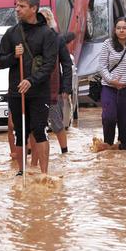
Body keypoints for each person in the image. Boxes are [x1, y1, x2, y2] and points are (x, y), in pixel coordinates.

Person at [0, 0, 58, 176]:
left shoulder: (47, 34)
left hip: (39, 92)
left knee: (39, 130)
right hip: (16, 91)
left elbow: (49, 65)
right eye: (17, 6)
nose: (17, 9)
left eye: (21, 6)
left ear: (33, 8)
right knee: (20, 131)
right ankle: (21, 172)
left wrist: (31, 81)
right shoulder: (11, 33)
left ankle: (44, 174)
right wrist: (14, 56)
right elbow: (0, 60)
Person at [99, 17, 126, 150]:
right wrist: (111, 80)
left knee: (125, 123)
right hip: (109, 88)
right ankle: (108, 147)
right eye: (118, 28)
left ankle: (123, 153)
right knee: (109, 118)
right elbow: (102, 66)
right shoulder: (108, 44)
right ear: (114, 30)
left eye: (124, 28)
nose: (121, 30)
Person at [39, 8, 74, 154]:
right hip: (36, 87)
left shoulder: (57, 39)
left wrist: (66, 89)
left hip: (55, 88)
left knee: (57, 122)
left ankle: (64, 151)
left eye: (46, 19)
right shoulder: (33, 38)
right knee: (35, 123)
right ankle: (30, 153)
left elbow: (67, 65)